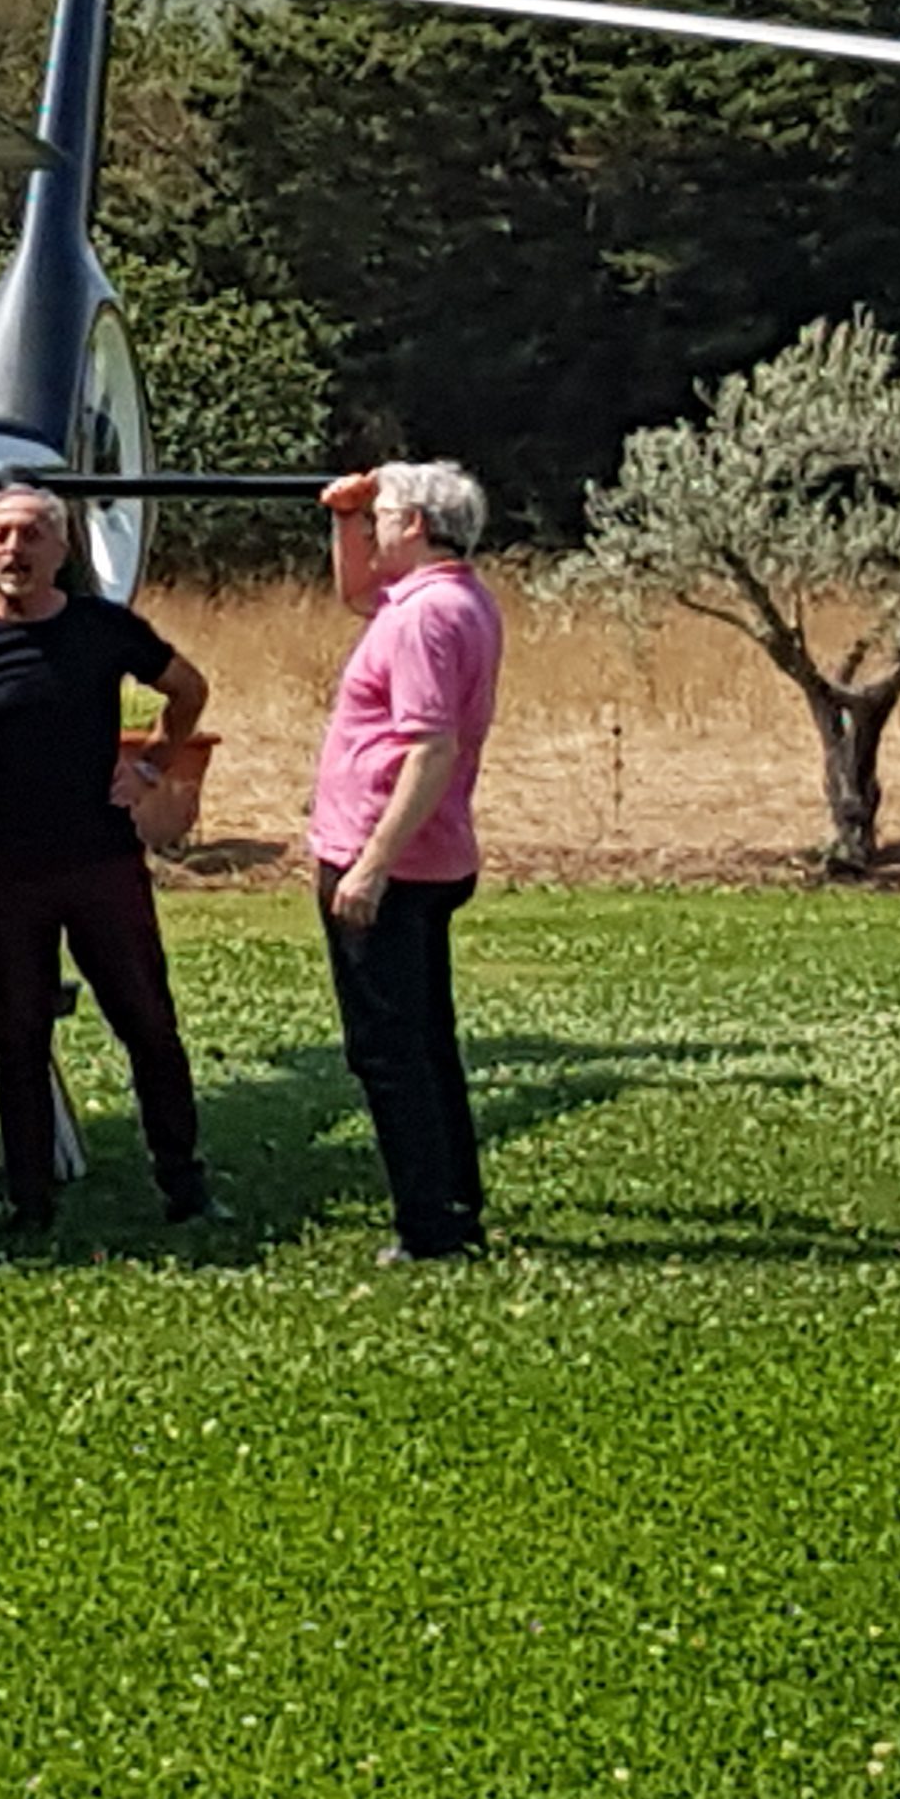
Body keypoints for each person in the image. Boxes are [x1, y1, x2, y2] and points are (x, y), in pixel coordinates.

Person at [0, 481, 215, 1231]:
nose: (15, 551)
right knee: (17, 1037)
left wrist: (150, 766)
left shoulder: (102, 630)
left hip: (101, 863)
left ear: (62, 550)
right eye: (2, 536)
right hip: (7, 870)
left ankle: (184, 1183)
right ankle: (29, 1201)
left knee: (146, 1024)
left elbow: (188, 690)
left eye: (32, 537)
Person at [310, 459, 506, 1263]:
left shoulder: (425, 620)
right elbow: (355, 592)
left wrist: (370, 865)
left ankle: (428, 1228)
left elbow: (430, 749)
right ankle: (453, 1201)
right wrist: (345, 516)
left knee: (389, 1049)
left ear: (416, 524)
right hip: (428, 856)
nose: (375, 525)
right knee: (426, 1039)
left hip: (389, 861)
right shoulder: (448, 598)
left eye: (382, 515)